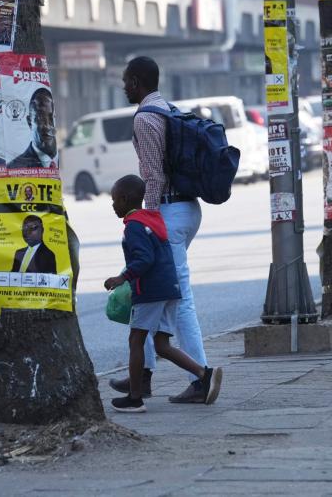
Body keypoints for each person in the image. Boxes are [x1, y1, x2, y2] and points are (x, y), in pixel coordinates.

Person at [108, 56, 209, 404]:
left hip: (168, 211)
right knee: (153, 290)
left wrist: (144, 219)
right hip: (186, 207)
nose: (123, 87)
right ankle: (144, 376)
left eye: (125, 81)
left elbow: (154, 176)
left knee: (179, 301)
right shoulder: (167, 108)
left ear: (136, 82)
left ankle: (202, 377)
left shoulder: (146, 118)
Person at [104, 175, 223, 413]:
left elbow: (144, 259)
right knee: (162, 345)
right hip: (170, 289)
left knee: (136, 339)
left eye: (115, 200)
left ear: (126, 200)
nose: (113, 205)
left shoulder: (134, 227)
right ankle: (203, 373)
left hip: (151, 292)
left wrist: (122, 278)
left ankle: (135, 398)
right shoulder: (154, 220)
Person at [9, 89, 58, 168]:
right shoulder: (15, 167)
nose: (47, 126)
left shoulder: (59, 159)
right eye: (40, 118)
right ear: (29, 122)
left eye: (51, 118)